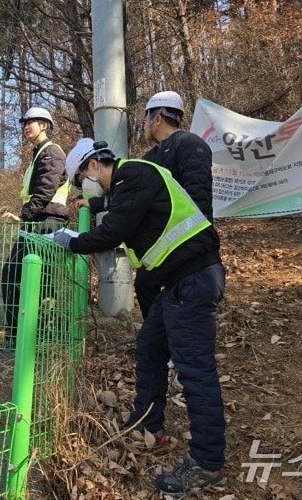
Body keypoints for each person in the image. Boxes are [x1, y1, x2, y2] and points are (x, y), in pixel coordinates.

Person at [55, 138, 227, 496]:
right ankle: (148, 422)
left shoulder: (133, 173)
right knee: (149, 346)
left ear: (92, 167)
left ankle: (207, 463)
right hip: (178, 281)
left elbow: (113, 229)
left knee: (196, 372)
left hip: (192, 279)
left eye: (81, 179)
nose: (85, 187)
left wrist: (70, 240)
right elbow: (122, 212)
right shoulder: (129, 181)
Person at [0, 107, 70, 344]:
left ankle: (31, 336)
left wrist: (26, 215)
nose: (26, 126)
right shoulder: (39, 153)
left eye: (33, 122)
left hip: (45, 225)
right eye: (25, 123)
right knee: (24, 277)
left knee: (27, 278)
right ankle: (25, 335)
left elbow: (45, 190)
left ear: (45, 125)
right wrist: (24, 217)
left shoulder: (51, 152)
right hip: (38, 222)